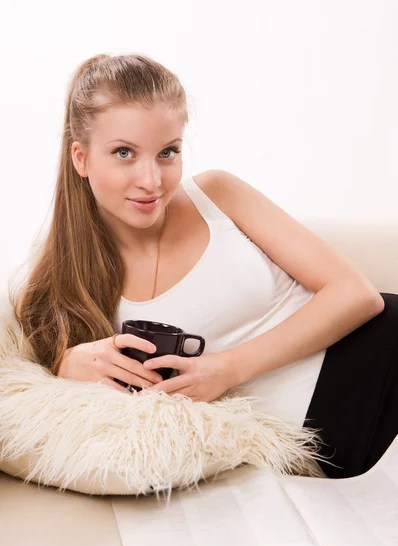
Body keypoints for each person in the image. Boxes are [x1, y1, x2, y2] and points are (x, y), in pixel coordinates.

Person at [7, 52, 397, 480]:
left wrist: (228, 368)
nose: (151, 180)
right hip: (320, 441)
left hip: (376, 358)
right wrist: (66, 366)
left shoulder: (217, 195)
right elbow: (37, 386)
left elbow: (356, 294)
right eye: (124, 153)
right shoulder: (62, 275)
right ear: (81, 159)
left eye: (167, 153)